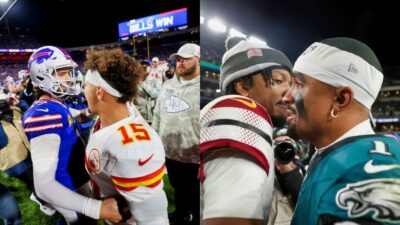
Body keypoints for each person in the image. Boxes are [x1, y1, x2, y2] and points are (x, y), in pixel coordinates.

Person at [283, 37, 400, 225]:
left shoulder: (371, 169)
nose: (287, 97)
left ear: (340, 99)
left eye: (298, 83)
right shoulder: (340, 153)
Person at [23, 46, 123, 224]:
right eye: (61, 73)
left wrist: (103, 106)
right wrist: (96, 208)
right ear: (41, 75)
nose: (69, 79)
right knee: (83, 221)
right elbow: (43, 185)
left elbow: (78, 114)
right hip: (67, 185)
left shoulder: (55, 105)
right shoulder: (43, 114)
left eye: (69, 72)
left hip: (76, 175)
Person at [200, 36, 294, 225]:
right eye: (278, 80)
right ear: (243, 87)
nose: (290, 93)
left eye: (291, 84)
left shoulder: (256, 121)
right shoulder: (242, 112)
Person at [83, 48, 168, 225]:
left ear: (100, 92)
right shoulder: (116, 112)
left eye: (85, 86)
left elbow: (154, 219)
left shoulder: (133, 146)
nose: (83, 91)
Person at [152, 43, 200, 225]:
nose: (180, 62)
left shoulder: (204, 87)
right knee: (178, 188)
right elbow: (157, 114)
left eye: (185, 58)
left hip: (194, 157)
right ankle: (182, 214)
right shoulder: (168, 85)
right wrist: (155, 142)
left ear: (199, 60)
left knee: (197, 196)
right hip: (170, 153)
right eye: (178, 59)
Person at [134, 60, 159, 125]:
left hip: (153, 117)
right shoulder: (134, 82)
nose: (143, 67)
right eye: (141, 66)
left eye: (146, 66)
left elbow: (156, 94)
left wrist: (142, 82)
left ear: (150, 68)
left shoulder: (154, 80)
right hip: (139, 118)